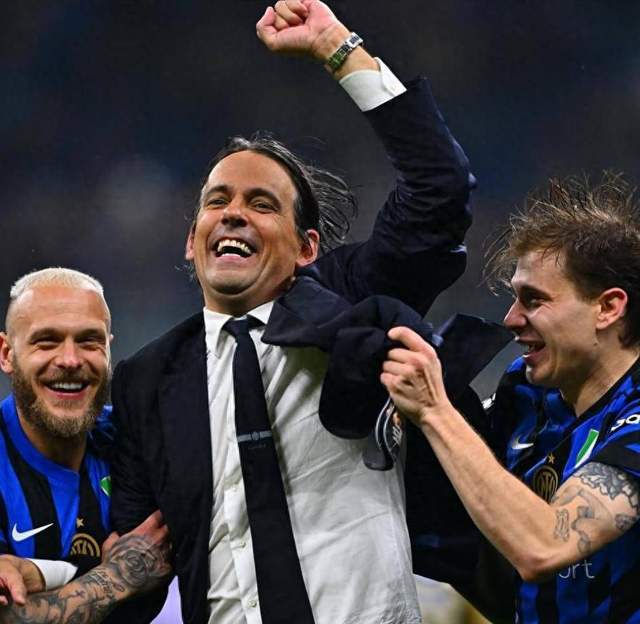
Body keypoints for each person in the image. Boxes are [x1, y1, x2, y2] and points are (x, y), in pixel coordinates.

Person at [109, 1, 476, 622]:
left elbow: (439, 191)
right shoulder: (147, 379)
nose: (233, 214)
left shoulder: (348, 304)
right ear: (191, 240)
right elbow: (140, 560)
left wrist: (337, 47)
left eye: (262, 204)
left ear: (307, 249)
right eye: (217, 201)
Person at [381, 173, 640, 623]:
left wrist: (435, 410)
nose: (511, 319)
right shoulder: (527, 392)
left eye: (533, 300)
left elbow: (545, 546)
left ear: (607, 307)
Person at [0, 268, 172, 623]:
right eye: (46, 341)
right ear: (6, 354)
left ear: (108, 349)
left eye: (89, 341)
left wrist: (41, 575)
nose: (70, 360)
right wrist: (116, 578)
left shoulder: (137, 443)